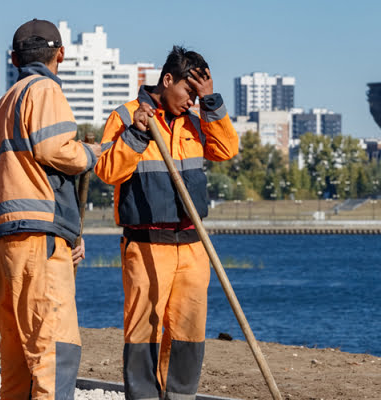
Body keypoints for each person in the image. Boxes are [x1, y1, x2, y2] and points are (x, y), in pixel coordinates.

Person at [95, 46, 238, 399]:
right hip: (145, 245)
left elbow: (227, 150)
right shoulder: (126, 115)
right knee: (144, 331)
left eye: (196, 94)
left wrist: (211, 101)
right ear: (167, 79)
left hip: (192, 246)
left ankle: (180, 397)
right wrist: (137, 134)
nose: (190, 100)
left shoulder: (195, 119)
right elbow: (107, 170)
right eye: (188, 92)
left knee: (189, 333)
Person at [0, 19, 101, 400]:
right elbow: (53, 152)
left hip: (7, 242)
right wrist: (88, 155)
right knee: (54, 350)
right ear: (60, 55)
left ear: (14, 58)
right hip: (38, 241)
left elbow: (19, 172)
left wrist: (66, 235)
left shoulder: (3, 105)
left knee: (17, 354)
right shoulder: (44, 90)